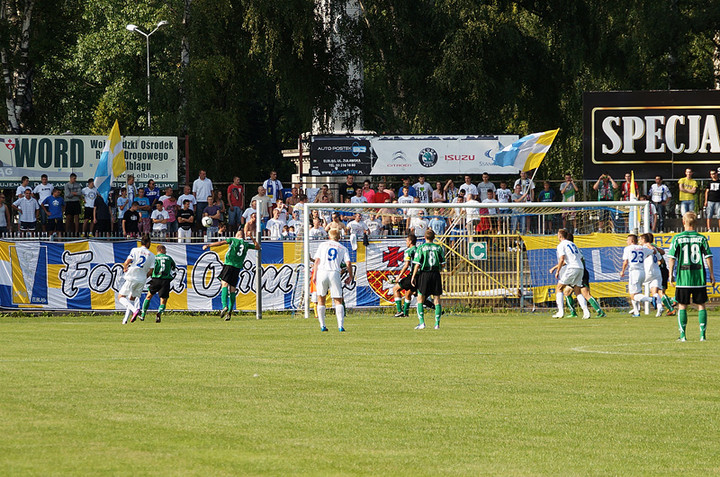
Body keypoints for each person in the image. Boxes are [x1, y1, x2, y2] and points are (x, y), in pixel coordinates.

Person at [666, 211, 715, 341]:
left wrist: (670, 274)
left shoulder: (678, 238)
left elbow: (671, 258)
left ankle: (683, 336)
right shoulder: (702, 238)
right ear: (696, 223)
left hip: (683, 277)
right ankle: (702, 336)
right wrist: (711, 274)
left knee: (682, 305)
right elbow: (708, 257)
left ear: (683, 222)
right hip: (699, 277)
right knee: (701, 305)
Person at [204, 230, 259, 320]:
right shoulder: (246, 244)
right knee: (232, 289)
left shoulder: (233, 240)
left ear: (237, 234)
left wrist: (208, 245)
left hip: (229, 264)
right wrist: (252, 238)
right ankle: (230, 311)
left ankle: (224, 306)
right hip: (237, 268)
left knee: (224, 284)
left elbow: (221, 243)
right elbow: (258, 247)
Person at [312, 228, 353, 332]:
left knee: (321, 298)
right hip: (334, 272)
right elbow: (348, 263)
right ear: (339, 237)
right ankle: (340, 326)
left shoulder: (323, 245)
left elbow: (317, 261)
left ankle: (322, 325)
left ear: (329, 236)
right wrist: (350, 276)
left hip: (322, 272)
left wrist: (314, 275)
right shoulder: (343, 248)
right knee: (338, 299)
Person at [392, 234, 436, 317]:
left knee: (395, 289)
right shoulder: (420, 250)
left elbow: (406, 265)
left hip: (413, 276)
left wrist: (399, 276)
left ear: (410, 241)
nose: (406, 242)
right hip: (421, 276)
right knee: (409, 294)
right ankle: (405, 313)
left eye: (407, 241)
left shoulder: (409, 251)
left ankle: (399, 311)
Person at [634, 233, 676, 317]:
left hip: (651, 271)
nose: (639, 241)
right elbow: (661, 258)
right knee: (656, 292)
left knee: (635, 289)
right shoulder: (654, 248)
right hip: (658, 271)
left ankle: (636, 309)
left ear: (644, 240)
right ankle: (663, 307)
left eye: (640, 239)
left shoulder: (644, 248)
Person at [411, 229, 445, 329]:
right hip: (435, 273)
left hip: (424, 274)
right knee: (437, 299)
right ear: (434, 238)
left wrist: (413, 276)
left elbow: (417, 264)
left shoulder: (421, 248)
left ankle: (422, 323)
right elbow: (443, 264)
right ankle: (437, 324)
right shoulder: (438, 248)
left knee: (420, 298)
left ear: (425, 238)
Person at [119, 234, 156, 324]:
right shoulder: (152, 255)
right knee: (131, 298)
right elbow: (151, 271)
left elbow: (127, 262)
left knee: (120, 297)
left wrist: (125, 268)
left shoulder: (135, 250)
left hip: (132, 276)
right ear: (148, 243)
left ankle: (135, 310)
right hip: (142, 279)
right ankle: (125, 321)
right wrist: (144, 276)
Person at [548, 228, 585, 318]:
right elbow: (580, 258)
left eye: (557, 235)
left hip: (572, 268)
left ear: (560, 236)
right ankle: (586, 312)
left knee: (559, 288)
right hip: (580, 267)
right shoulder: (573, 244)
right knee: (577, 291)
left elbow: (562, 259)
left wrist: (557, 271)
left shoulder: (561, 245)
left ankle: (560, 312)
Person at [140, 244, 177, 323]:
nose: (166, 252)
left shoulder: (154, 258)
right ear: (162, 250)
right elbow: (174, 268)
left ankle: (143, 314)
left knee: (148, 296)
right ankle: (159, 312)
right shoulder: (169, 258)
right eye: (165, 250)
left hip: (155, 279)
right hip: (165, 280)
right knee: (163, 300)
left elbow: (150, 268)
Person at [619, 234, 646, 317]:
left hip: (634, 272)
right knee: (637, 292)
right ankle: (636, 311)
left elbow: (625, 262)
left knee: (633, 294)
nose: (627, 242)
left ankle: (651, 299)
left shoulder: (628, 249)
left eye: (627, 240)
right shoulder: (642, 248)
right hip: (642, 272)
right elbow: (653, 251)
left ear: (632, 241)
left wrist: (622, 271)